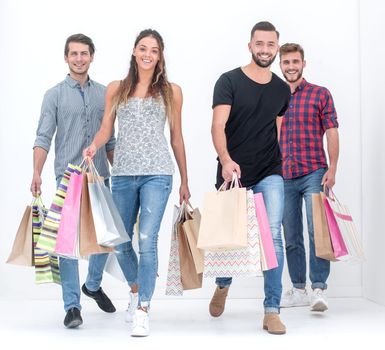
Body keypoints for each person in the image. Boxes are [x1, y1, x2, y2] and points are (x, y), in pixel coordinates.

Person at [83, 29, 190, 337]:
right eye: (143, 48)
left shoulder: (172, 91)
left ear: (160, 56)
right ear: (134, 51)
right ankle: (135, 288)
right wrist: (93, 145)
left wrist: (185, 178)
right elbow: (106, 129)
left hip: (158, 172)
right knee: (119, 239)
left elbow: (177, 137)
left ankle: (143, 308)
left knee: (147, 239)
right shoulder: (117, 88)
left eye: (153, 50)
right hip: (124, 174)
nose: (147, 54)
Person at [209, 21, 291, 335]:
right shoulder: (228, 81)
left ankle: (272, 310)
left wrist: (281, 163)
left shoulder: (282, 89)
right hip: (234, 171)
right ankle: (223, 284)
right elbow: (218, 126)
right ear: (250, 46)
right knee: (230, 238)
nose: (265, 50)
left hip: (270, 170)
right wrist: (226, 160)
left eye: (271, 45)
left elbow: (279, 129)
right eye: (260, 44)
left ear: (276, 48)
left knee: (273, 236)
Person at [31, 33, 117, 329]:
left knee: (106, 237)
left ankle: (92, 284)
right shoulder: (53, 95)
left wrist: (119, 173)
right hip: (68, 177)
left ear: (92, 56)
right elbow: (43, 137)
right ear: (66, 58)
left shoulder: (106, 93)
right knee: (66, 243)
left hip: (100, 176)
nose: (79, 58)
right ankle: (71, 307)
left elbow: (111, 139)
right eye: (74, 54)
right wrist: (36, 173)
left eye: (84, 53)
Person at [278, 43, 339, 312]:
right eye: (286, 62)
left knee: (317, 232)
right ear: (280, 65)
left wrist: (333, 168)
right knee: (290, 235)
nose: (291, 66)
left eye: (295, 62)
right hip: (283, 175)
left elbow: (332, 130)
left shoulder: (319, 94)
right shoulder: (273, 96)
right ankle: (299, 288)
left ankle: (318, 289)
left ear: (304, 64)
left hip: (314, 171)